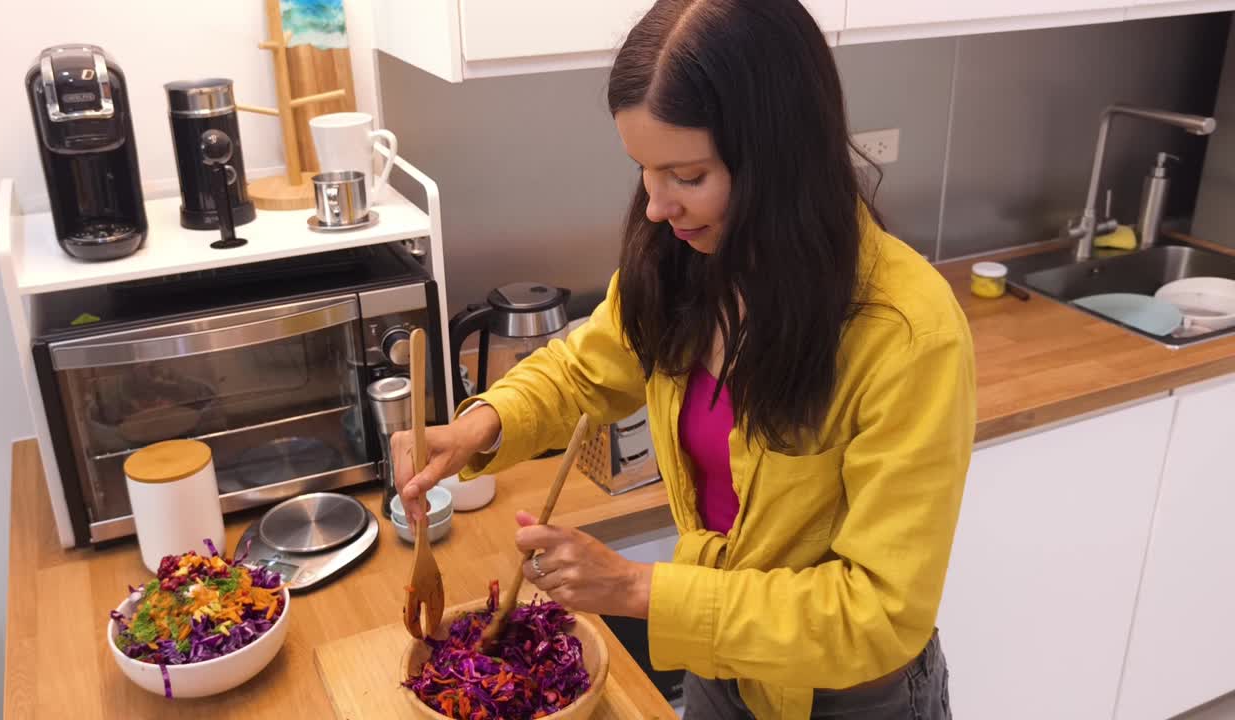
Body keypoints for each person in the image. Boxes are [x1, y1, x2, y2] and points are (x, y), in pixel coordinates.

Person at [391, 0, 975, 717]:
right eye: (643, 169)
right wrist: (480, 426)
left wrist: (638, 590)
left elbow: (877, 615)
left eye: (688, 175)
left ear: (781, 158)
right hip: (717, 664)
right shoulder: (687, 258)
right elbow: (583, 369)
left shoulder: (908, 334)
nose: (658, 206)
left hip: (849, 697)